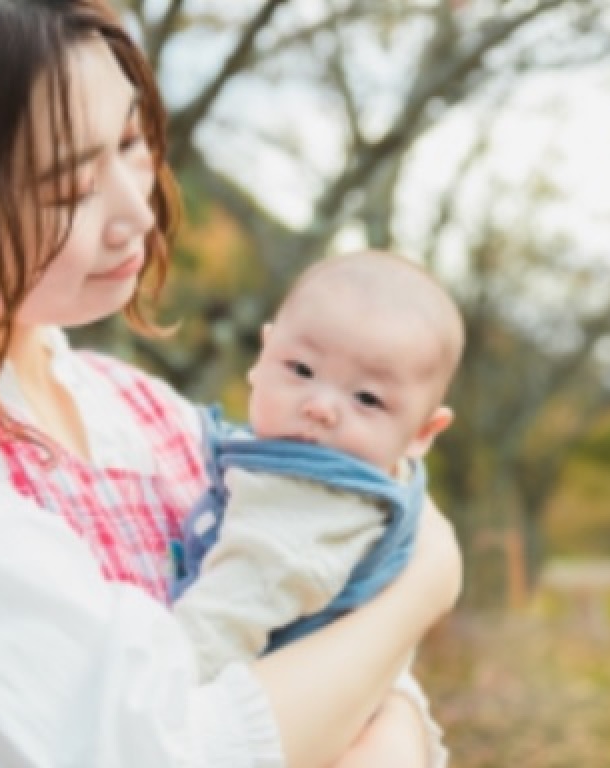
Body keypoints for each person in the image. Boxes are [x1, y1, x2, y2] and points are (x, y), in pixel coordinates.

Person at [0, 2, 462, 767]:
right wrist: (424, 587)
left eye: (131, 142)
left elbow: (340, 647)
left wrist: (394, 722)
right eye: (69, 190)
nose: (135, 213)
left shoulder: (147, 414)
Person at [170, 252, 462, 766]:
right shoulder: (357, 475)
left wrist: (149, 690)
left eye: (367, 399)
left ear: (422, 433)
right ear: (263, 355)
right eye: (301, 370)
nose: (320, 406)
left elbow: (224, 621)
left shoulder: (313, 500)